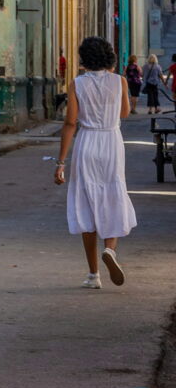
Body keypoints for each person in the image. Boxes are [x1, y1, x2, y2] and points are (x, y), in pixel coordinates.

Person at [55, 36, 137, 289]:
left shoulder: (77, 84)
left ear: (85, 59)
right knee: (113, 195)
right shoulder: (119, 81)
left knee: (86, 204)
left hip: (87, 142)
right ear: (108, 58)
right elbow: (125, 112)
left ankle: (93, 275)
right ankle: (110, 250)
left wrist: (60, 162)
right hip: (111, 142)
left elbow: (71, 122)